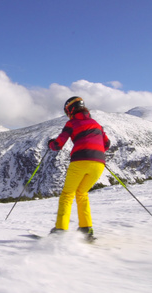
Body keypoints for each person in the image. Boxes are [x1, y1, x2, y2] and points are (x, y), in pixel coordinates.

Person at [47, 96, 110, 241]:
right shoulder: (97, 124)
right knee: (82, 193)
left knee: (67, 195)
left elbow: (58, 145)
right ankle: (86, 230)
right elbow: (106, 144)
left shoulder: (72, 123)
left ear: (70, 110)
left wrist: (50, 143)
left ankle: (60, 230)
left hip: (80, 160)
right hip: (99, 163)